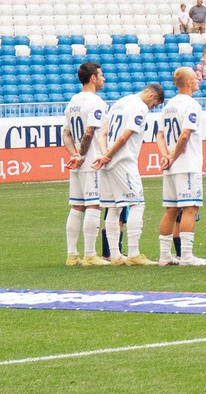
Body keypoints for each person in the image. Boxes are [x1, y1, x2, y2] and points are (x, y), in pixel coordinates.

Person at [95, 80, 158, 267]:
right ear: (151, 95)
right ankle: (133, 253)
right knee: (137, 204)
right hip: (123, 161)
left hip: (108, 162)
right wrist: (109, 155)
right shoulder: (139, 107)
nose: (152, 108)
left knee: (113, 207)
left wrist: (104, 154)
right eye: (154, 104)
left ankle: (115, 255)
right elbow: (125, 136)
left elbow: (102, 133)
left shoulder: (119, 103)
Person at [154, 67, 206, 266]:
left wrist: (166, 156)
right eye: (195, 77)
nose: (198, 80)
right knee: (190, 208)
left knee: (170, 209)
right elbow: (185, 134)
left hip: (171, 166)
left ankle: (164, 255)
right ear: (188, 82)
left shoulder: (168, 106)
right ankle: (186, 256)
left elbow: (160, 134)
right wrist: (173, 156)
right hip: (187, 164)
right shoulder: (191, 105)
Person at [62, 61, 109, 266]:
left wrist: (74, 155)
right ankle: (90, 254)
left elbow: (66, 133)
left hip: (78, 164)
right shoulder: (96, 101)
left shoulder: (73, 101)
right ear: (93, 78)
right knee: (94, 205)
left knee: (77, 206)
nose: (103, 79)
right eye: (101, 75)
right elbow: (89, 132)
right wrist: (81, 155)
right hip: (91, 161)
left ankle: (72, 255)